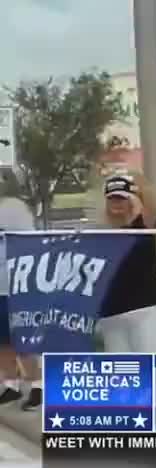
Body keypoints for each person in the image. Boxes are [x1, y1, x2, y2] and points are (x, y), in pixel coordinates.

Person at [97, 173, 156, 352]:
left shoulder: (143, 226)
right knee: (121, 376)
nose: (117, 204)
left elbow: (152, 206)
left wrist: (140, 180)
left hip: (145, 309)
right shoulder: (99, 236)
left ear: (132, 200)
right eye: (112, 199)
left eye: (121, 198)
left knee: (150, 369)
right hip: (112, 314)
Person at [0, 169, 41, 411]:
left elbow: (30, 244)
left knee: (22, 340)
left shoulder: (15, 208)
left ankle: (38, 386)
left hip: (15, 286)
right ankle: (12, 385)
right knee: (2, 342)